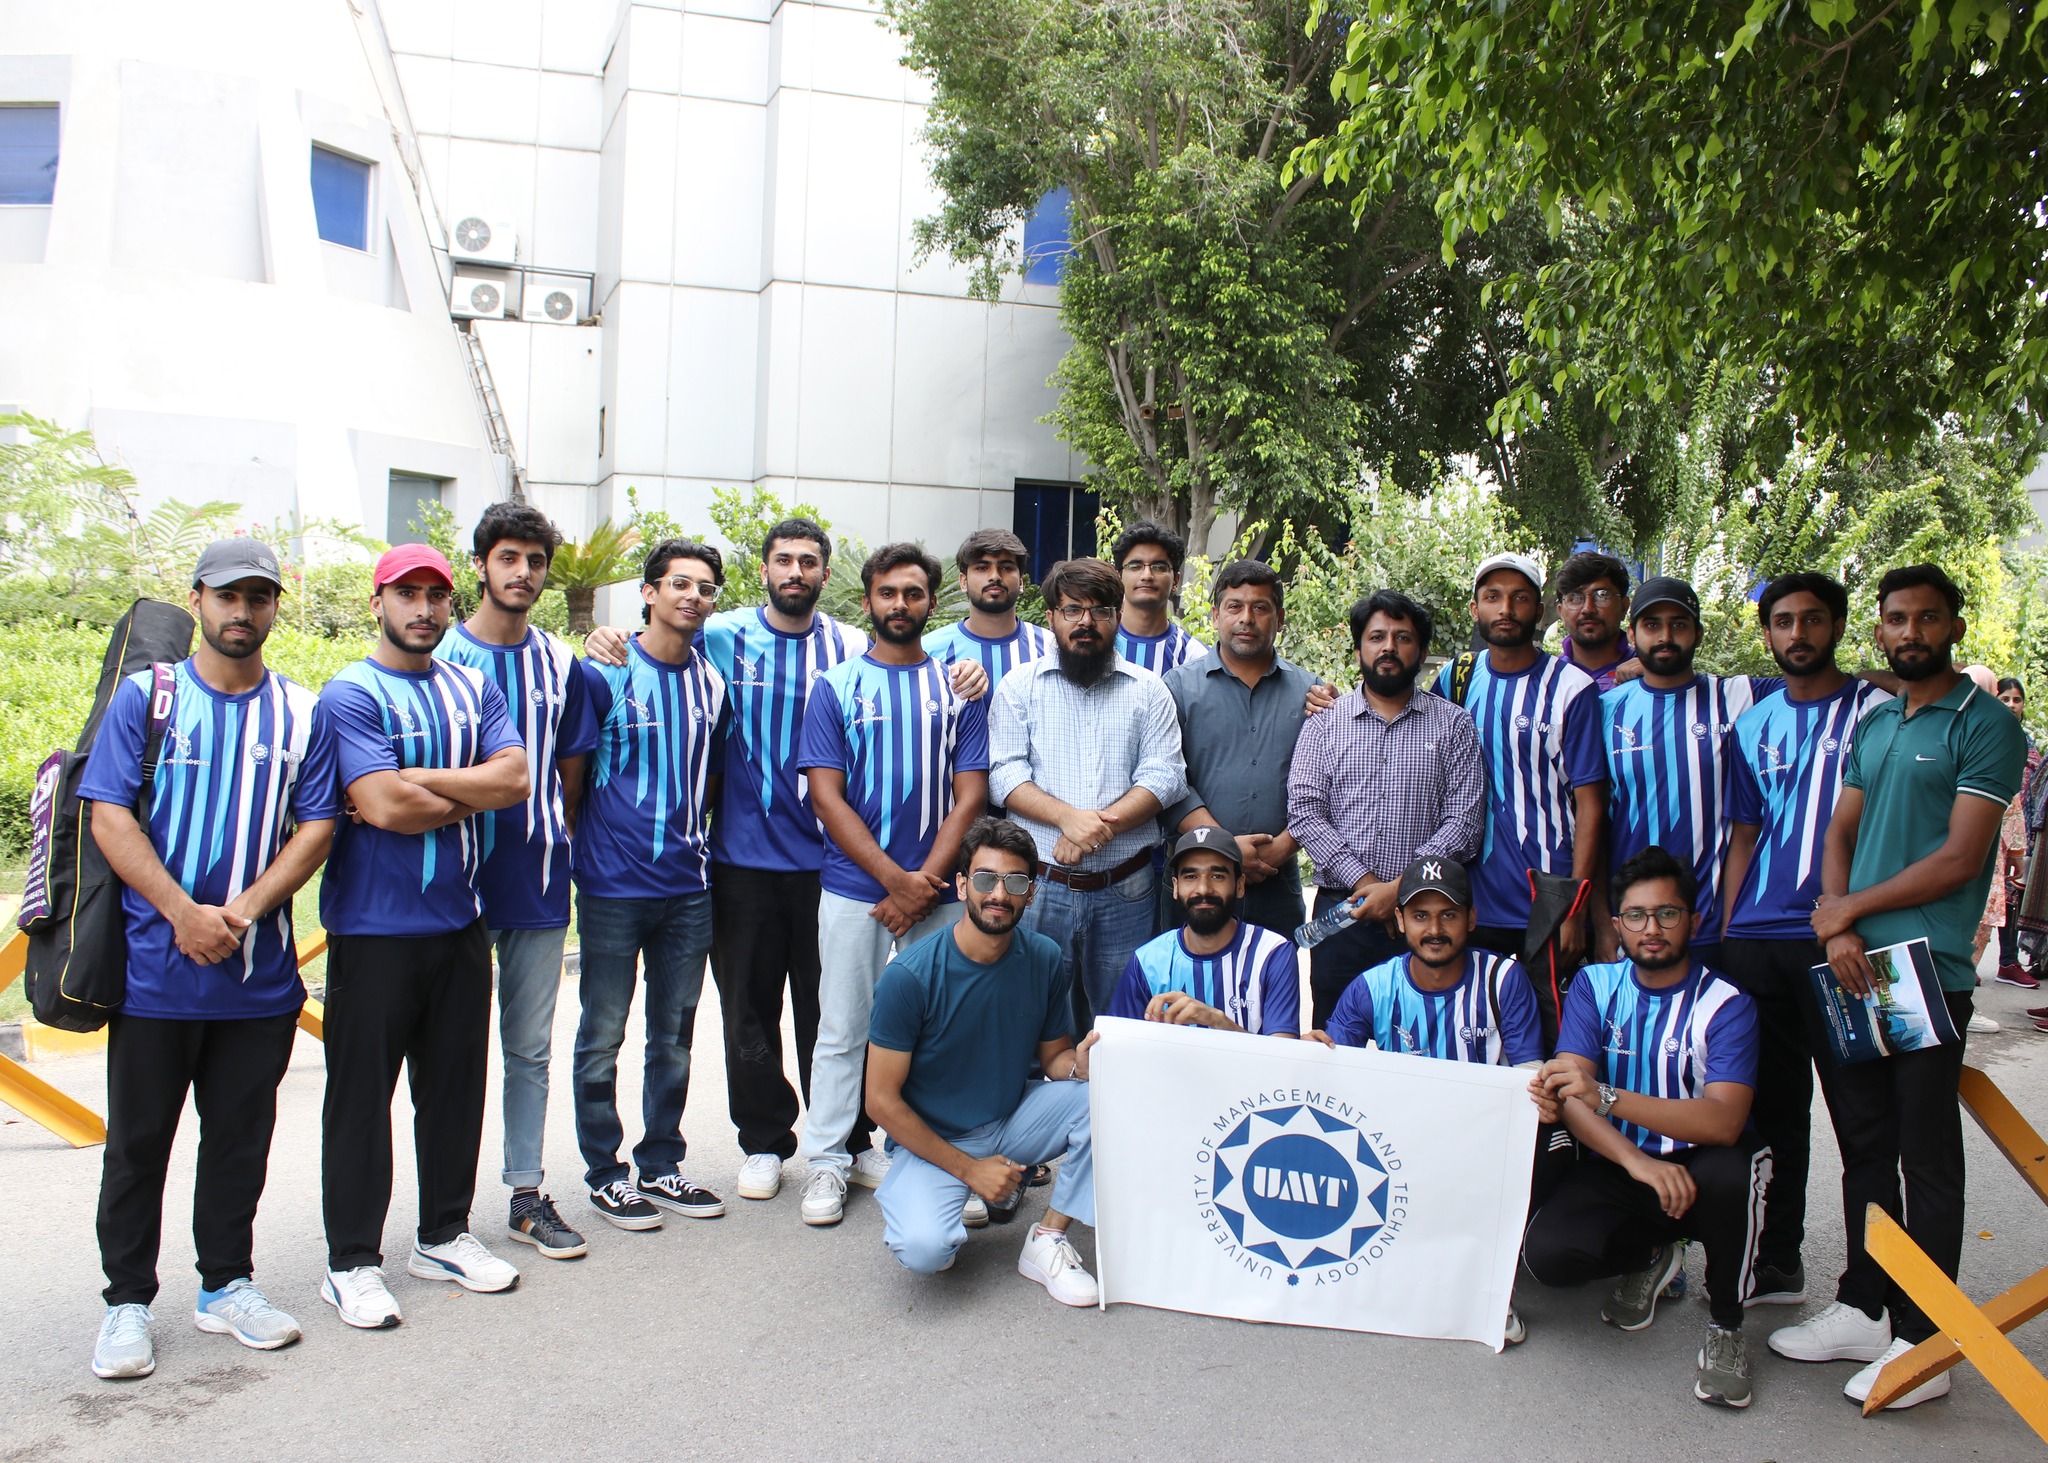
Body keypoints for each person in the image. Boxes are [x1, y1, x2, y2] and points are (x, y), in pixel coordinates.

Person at [584, 520, 985, 1203]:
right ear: (765, 569)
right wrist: (606, 636)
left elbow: (914, 656)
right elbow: (661, 633)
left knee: (834, 1014)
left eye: (808, 561)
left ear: (827, 575)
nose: (795, 571)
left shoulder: (850, 645)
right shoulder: (722, 633)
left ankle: (851, 1141)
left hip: (835, 864)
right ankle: (765, 1141)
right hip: (745, 859)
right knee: (750, 1010)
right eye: (783, 560)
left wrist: (967, 671)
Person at [80, 541, 339, 1379]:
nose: (243, 611)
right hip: (155, 977)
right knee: (138, 1145)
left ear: (276, 608)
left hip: (257, 981)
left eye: (260, 597)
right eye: (228, 596)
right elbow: (109, 815)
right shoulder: (148, 698)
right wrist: (182, 913)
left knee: (238, 1141)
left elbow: (318, 825)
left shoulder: (300, 712)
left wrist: (247, 909)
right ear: (197, 599)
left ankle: (226, 1284)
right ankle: (126, 1302)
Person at [1771, 563, 2028, 1410]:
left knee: (1927, 1155)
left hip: (1923, 972)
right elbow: (1839, 829)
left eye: (1926, 617)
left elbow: (1960, 856)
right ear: (1879, 630)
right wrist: (1838, 927)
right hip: (1854, 965)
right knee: (1865, 1146)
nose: (1910, 632)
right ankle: (1865, 1304)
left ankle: (1927, 1339)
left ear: (1955, 626)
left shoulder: (1987, 724)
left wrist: (1849, 908)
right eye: (1896, 619)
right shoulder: (1879, 721)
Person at [314, 544, 530, 1328]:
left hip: (459, 923)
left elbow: (515, 778)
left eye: (436, 595)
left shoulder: (473, 686)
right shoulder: (349, 692)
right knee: (360, 1100)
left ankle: (442, 1234)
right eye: (406, 594)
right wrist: (464, 789)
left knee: (454, 1091)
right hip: (373, 930)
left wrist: (418, 778)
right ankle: (351, 1261)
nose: (424, 609)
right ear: (377, 603)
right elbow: (382, 807)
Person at [1523, 849, 1767, 1409]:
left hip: (1702, 1161)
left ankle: (1727, 1325)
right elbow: (1571, 1094)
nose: (1651, 929)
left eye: (1667, 914)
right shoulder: (1595, 985)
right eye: (1636, 915)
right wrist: (1638, 1162)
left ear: (1694, 921)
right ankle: (1651, 1256)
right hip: (1623, 1159)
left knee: (1733, 1176)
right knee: (1548, 1257)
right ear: (1617, 925)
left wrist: (1609, 1096)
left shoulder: (1727, 1004)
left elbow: (1724, 1121)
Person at [794, 543, 990, 1227]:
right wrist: (895, 881)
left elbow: (971, 796)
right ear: (868, 601)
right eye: (887, 593)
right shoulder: (836, 686)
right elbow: (826, 796)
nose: (899, 604)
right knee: (843, 1026)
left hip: (939, 892)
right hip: (856, 889)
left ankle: (938, 1160)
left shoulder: (960, 688)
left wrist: (924, 883)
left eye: (912, 593)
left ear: (932, 601)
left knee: (942, 1033)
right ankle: (827, 1160)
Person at [1719, 572, 1892, 1310]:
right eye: (1784, 621)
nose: (1798, 633)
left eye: (1813, 619)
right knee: (1773, 1113)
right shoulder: (1753, 723)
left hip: (1841, 943)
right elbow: (1744, 833)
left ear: (1839, 626)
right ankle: (1779, 1262)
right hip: (1757, 945)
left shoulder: (1877, 710)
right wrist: (1730, 930)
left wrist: (1850, 917)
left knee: (1864, 1119)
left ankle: (1870, 1293)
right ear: (1767, 634)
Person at [433, 503, 599, 1261]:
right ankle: (444, 1211)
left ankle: (526, 1193)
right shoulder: (439, 655)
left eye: (535, 560)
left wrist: (551, 837)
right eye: (508, 557)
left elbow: (571, 773)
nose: (522, 572)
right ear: (480, 564)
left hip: (536, 881)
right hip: (452, 886)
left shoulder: (562, 663)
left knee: (529, 1047)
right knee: (453, 1051)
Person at [1310, 855, 1556, 1344]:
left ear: (1471, 918)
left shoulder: (1502, 980)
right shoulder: (1373, 986)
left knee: (1547, 1139)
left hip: (1485, 1142)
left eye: (1448, 915)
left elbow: (1529, 1076)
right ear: (1400, 921)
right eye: (1421, 916)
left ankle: (1489, 1275)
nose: (1435, 929)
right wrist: (1313, 1051)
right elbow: (1334, 1074)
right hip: (1408, 1141)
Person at [866, 816, 1100, 1304]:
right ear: (961, 885)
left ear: (1031, 893)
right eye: (986, 878)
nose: (999, 894)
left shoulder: (1042, 957)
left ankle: (1048, 1238)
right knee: (926, 1252)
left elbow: (1054, 1057)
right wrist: (971, 1171)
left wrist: (1078, 1067)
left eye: (1014, 882)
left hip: (1011, 1120)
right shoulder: (909, 977)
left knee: (1105, 1099)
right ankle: (947, 1190)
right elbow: (881, 1102)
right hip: (934, 1138)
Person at [570, 539, 730, 1233]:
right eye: (679, 583)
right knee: (602, 1033)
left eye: (705, 587)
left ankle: (660, 1161)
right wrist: (586, 853)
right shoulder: (604, 672)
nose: (692, 596)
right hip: (611, 888)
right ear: (649, 592)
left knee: (673, 1035)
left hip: (688, 888)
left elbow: (711, 779)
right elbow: (572, 777)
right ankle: (604, 1174)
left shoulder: (713, 683)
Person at [989, 556, 1188, 1034]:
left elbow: (1165, 777)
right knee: (1031, 1021)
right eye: (1072, 610)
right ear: (1051, 617)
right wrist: (1067, 820)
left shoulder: (1149, 690)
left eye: (1100, 610)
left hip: (1126, 890)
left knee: (1123, 1026)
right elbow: (1005, 775)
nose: (1086, 622)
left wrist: (1092, 830)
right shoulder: (1019, 687)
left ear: (1117, 616)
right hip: (1040, 887)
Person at [1291, 590, 1486, 1028]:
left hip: (1424, 916)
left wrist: (1399, 890)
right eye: (1377, 637)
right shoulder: (1324, 723)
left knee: (1422, 1036)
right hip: (1343, 912)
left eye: (1403, 637)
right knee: (1334, 1040)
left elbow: (1464, 823)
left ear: (1421, 651)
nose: (1389, 647)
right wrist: (1367, 887)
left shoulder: (1453, 725)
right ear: (1359, 648)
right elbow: (1304, 810)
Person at [1435, 553, 1605, 1001]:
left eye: (1520, 598)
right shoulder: (1456, 678)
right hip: (1466, 901)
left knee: (1551, 1030)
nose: (1506, 609)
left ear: (1540, 610)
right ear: (1475, 609)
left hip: (1547, 900)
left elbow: (1591, 805)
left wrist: (1575, 909)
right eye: (1493, 597)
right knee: (1476, 1025)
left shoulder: (1571, 688)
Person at [1596, 576, 1784, 971]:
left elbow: (1823, 684)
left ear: (1698, 633)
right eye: (1652, 625)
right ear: (1631, 634)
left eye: (1678, 624)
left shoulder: (1738, 697)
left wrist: (1910, 678)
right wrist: (1602, 924)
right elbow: (1590, 822)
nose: (1665, 636)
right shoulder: (1604, 709)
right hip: (1633, 926)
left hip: (1715, 924)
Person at [1160, 560, 1324, 937]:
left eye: (1260, 607)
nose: (1246, 618)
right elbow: (1167, 780)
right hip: (1195, 876)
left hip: (1276, 878)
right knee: (1188, 973)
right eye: (1234, 606)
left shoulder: (1310, 692)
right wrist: (1226, 847)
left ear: (1280, 619)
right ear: (1216, 614)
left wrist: (1283, 847)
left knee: (1273, 972)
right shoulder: (1178, 688)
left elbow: (1324, 784)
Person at [1105, 827, 1301, 1035]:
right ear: (1176, 886)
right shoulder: (1148, 961)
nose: (1203, 889)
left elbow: (1282, 1051)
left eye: (1217, 876)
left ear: (1240, 885)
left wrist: (1217, 1021)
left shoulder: (1272, 953)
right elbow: (1118, 1043)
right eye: (1191, 876)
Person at [922, 528, 1056, 694]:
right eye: (982, 568)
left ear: (1021, 582)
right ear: (963, 582)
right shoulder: (929, 650)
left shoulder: (1051, 648)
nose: (995, 576)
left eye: (1006, 568)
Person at [1110, 520, 1207, 673]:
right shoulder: (1097, 646)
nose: (1147, 575)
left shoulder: (1195, 657)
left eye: (1159, 567)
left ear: (1176, 581)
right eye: (1135, 566)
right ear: (1118, 577)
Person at [1993, 677, 2037, 990]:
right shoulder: (1988, 735)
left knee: (2012, 895)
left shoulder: (2027, 741)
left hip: (2023, 827)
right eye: (2005, 698)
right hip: (1992, 825)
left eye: (2016, 699)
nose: (2011, 705)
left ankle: (2008, 960)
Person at [1554, 550, 1641, 692]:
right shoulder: (1547, 679)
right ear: (1561, 612)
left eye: (1602, 595)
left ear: (1624, 607)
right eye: (1575, 598)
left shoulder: (1647, 675)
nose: (1588, 609)